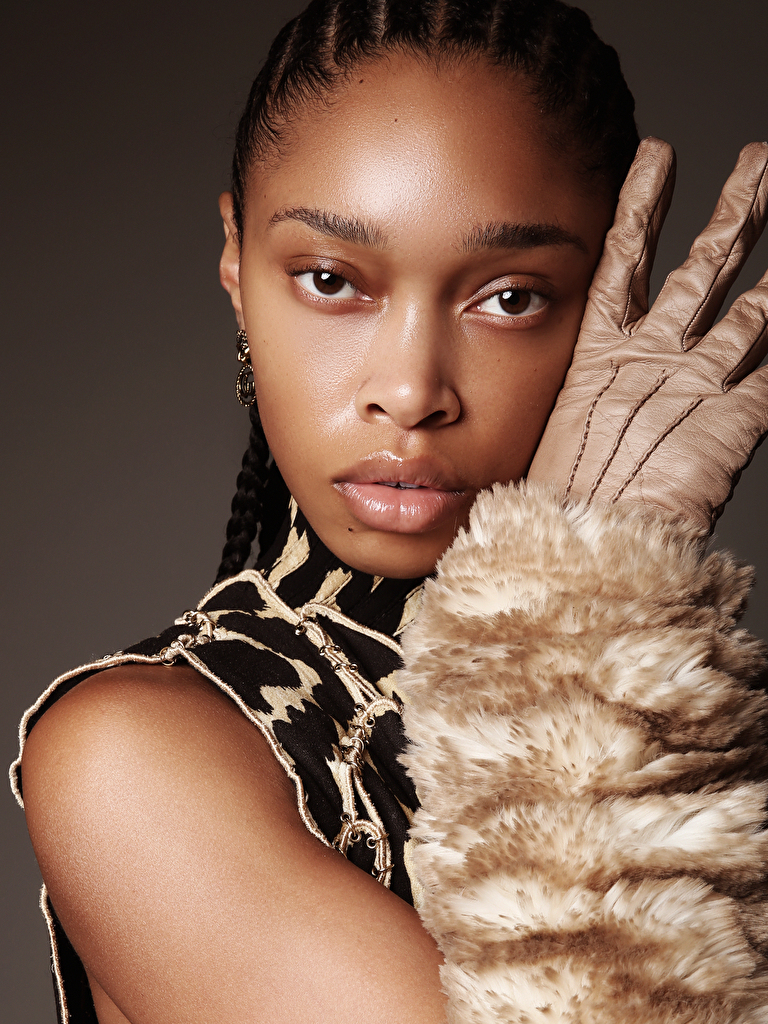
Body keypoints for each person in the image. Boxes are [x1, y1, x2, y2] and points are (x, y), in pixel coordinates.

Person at [11, 0, 768, 1021]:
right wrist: (586, 612)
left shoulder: (704, 718)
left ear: (608, 306)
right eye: (331, 279)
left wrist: (617, 614)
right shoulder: (134, 760)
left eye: (511, 297)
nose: (411, 392)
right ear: (236, 266)